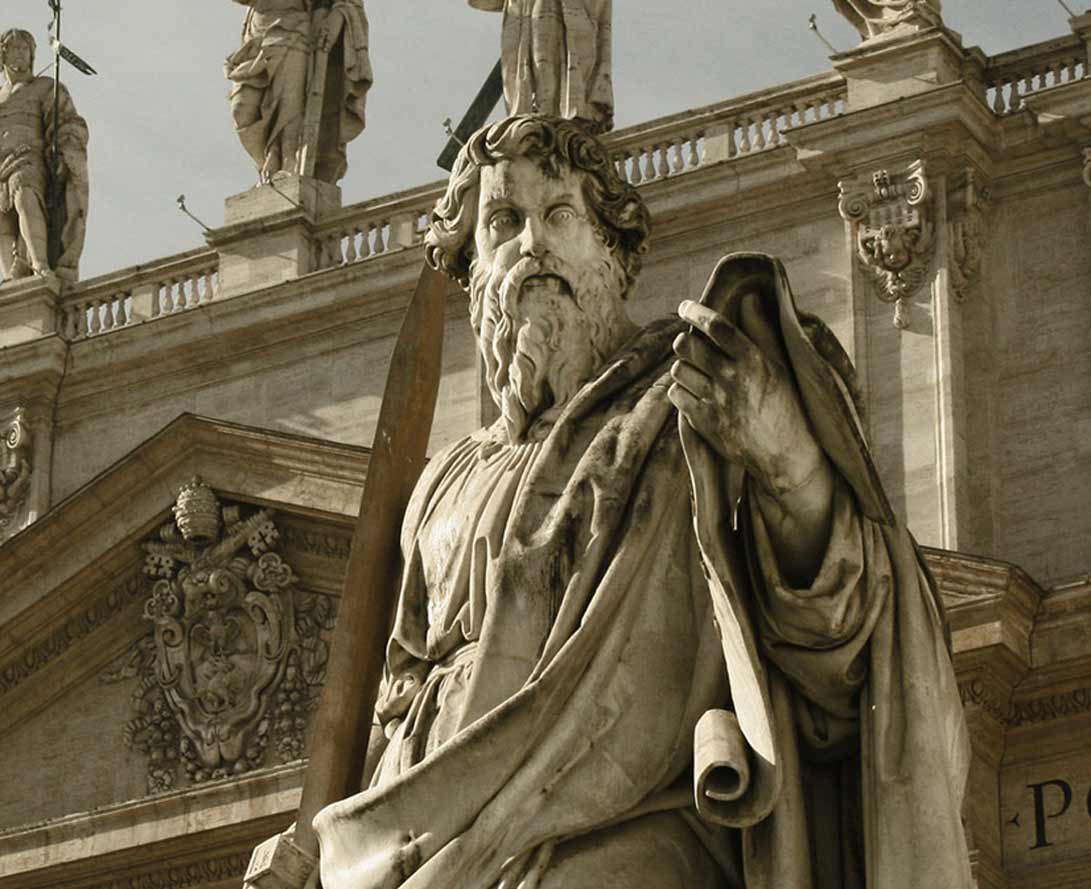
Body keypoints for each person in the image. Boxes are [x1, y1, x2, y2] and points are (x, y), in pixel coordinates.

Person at [313, 115, 970, 889]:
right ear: (471, 268)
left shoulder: (689, 398)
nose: (532, 244)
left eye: (560, 215)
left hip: (627, 816)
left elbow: (844, 622)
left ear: (614, 251)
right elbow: (395, 696)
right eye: (503, 221)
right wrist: (326, 848)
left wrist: (783, 458)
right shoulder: (442, 480)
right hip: (433, 834)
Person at [225, 0, 371, 184]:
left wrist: (336, 16)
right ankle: (268, 162)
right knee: (241, 109)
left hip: (292, 27)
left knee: (289, 107)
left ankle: (286, 161)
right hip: (256, 32)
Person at [0, 28, 88, 283]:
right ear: (3, 55)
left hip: (29, 157)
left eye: (24, 49)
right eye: (14, 48)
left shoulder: (45, 86)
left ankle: (39, 265)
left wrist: (64, 145)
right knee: (3, 221)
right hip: (1, 161)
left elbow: (68, 121)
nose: (20, 54)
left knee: (25, 198)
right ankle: (13, 275)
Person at [469, 0, 613, 132]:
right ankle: (534, 122)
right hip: (522, 12)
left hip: (559, 9)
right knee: (521, 72)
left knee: (547, 63)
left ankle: (549, 122)